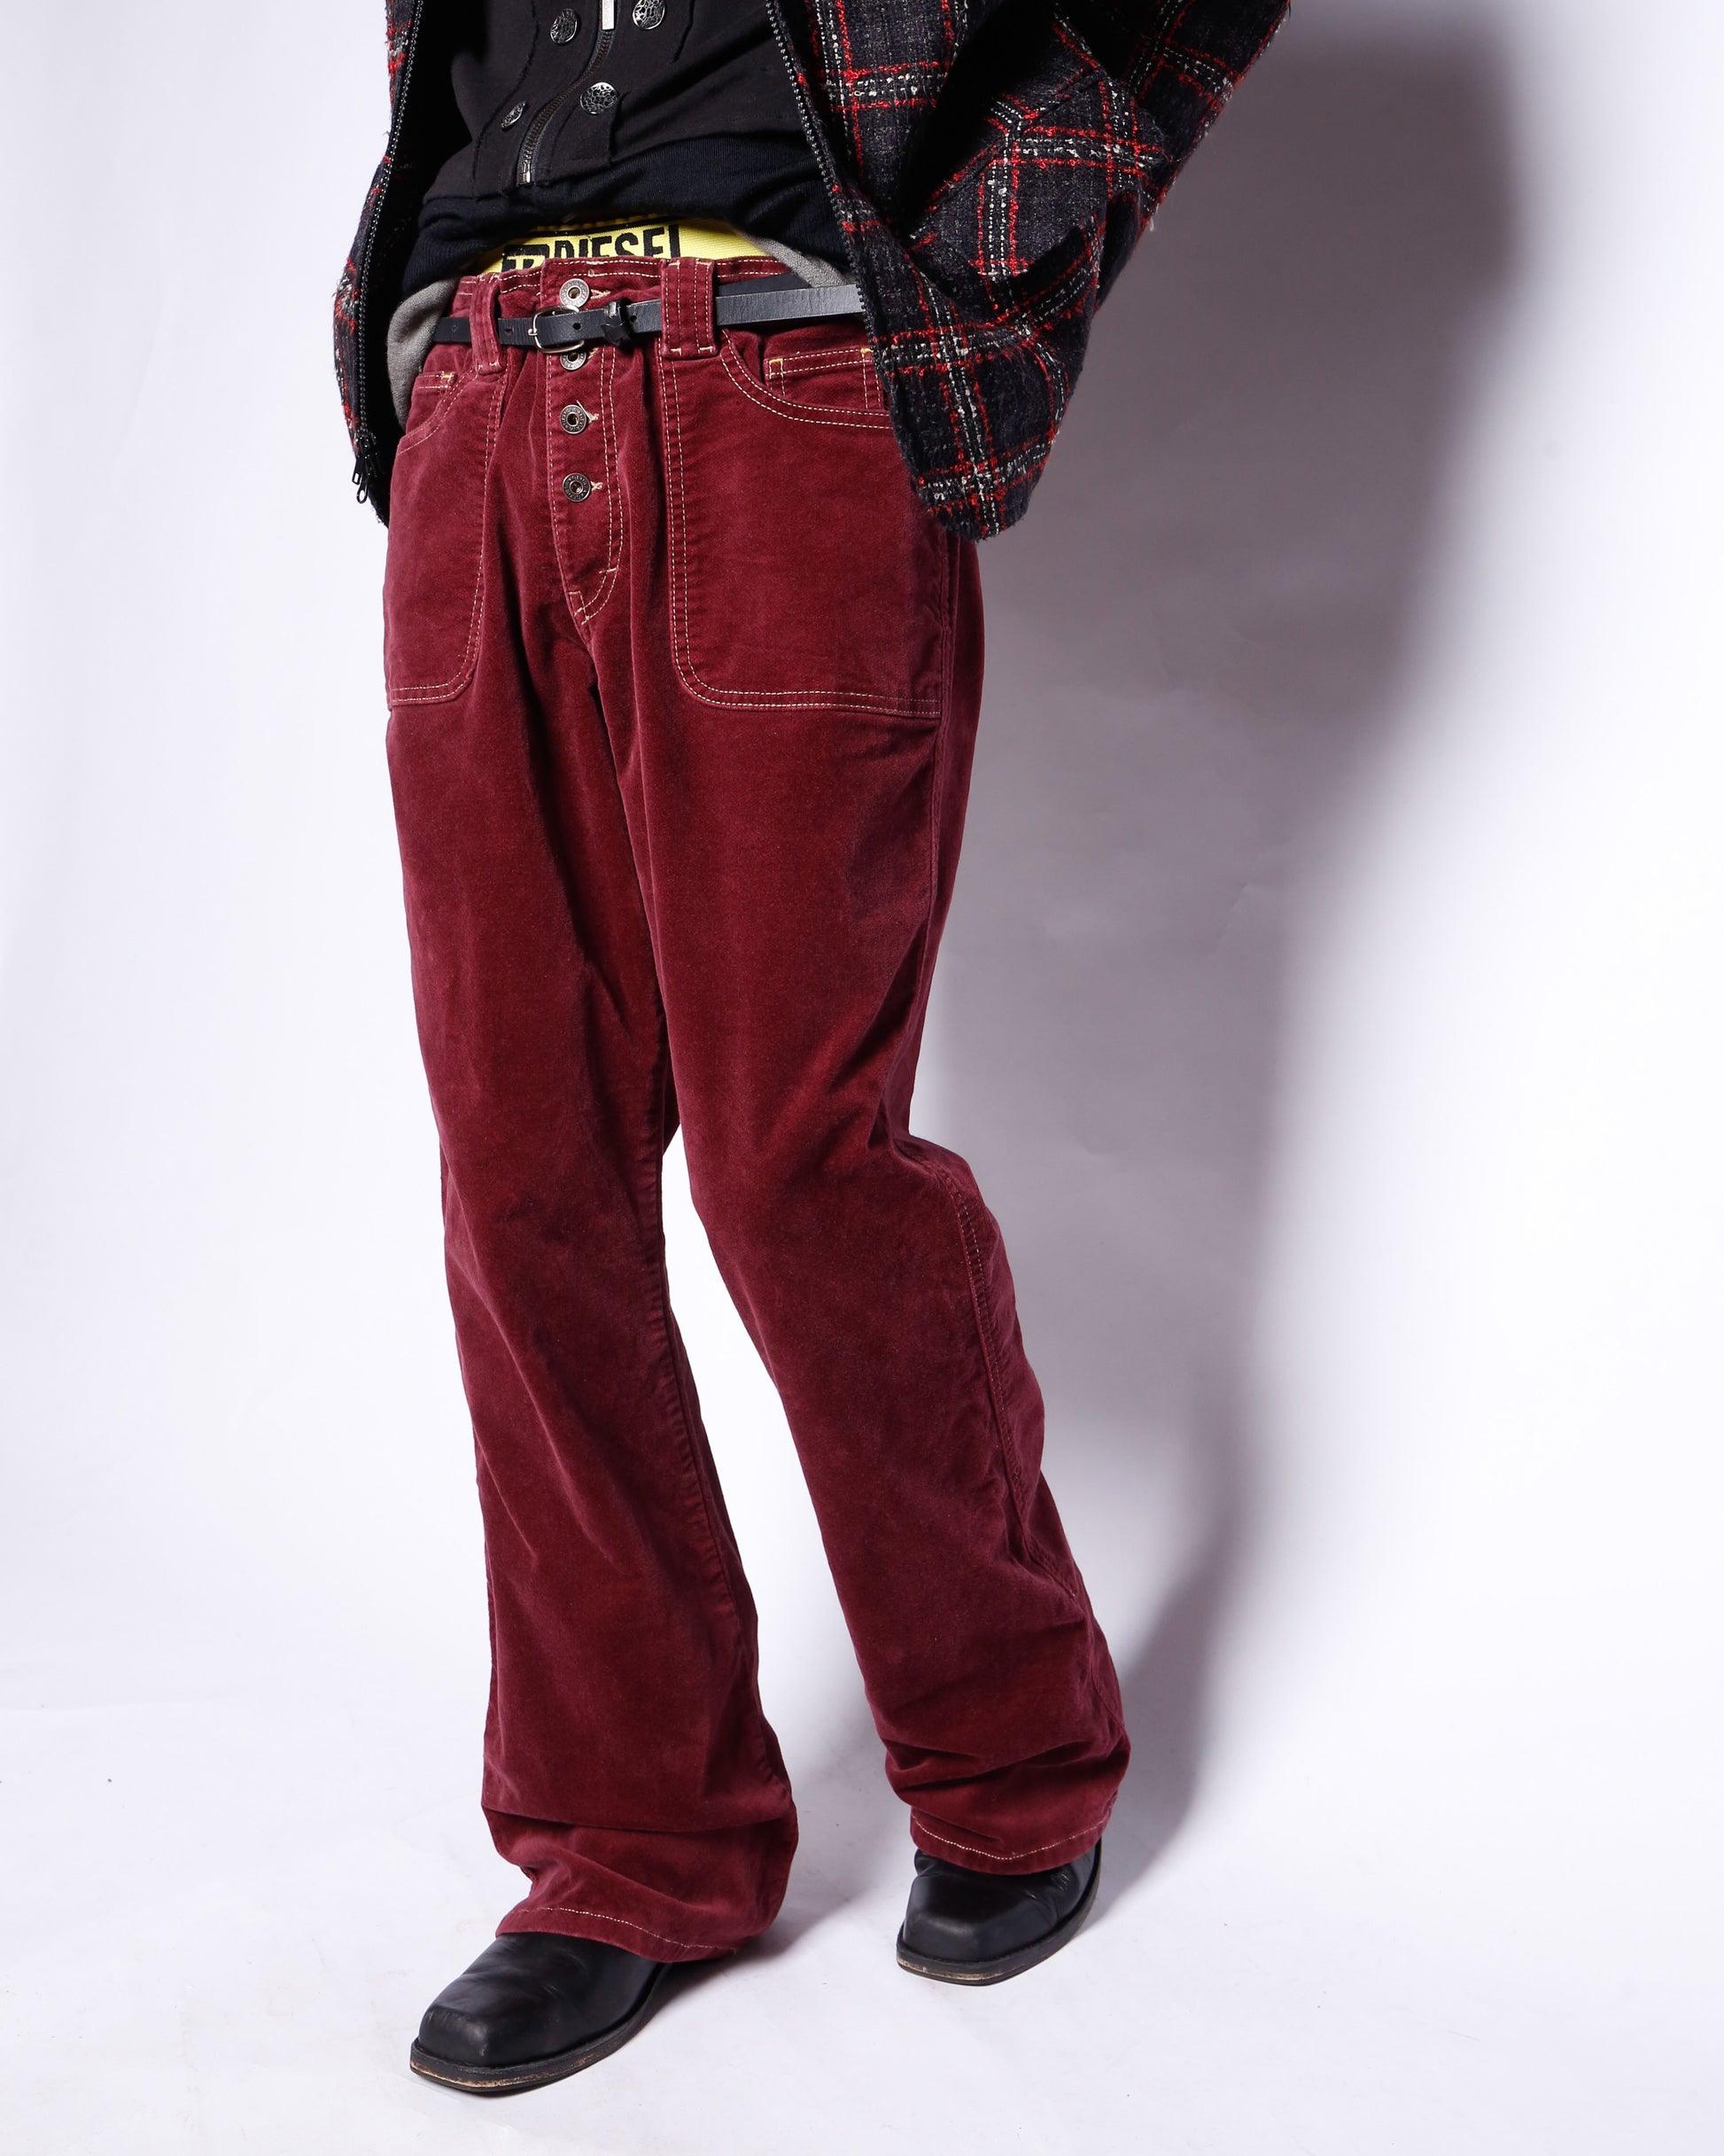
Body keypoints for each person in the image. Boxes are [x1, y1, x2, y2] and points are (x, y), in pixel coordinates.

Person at [335, 0, 1285, 2098]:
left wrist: (973, 249)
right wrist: (413, 357)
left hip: (779, 392)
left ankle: (1010, 1751)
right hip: (481, 404)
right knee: (523, 1182)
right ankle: (630, 1843)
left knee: (795, 1164)